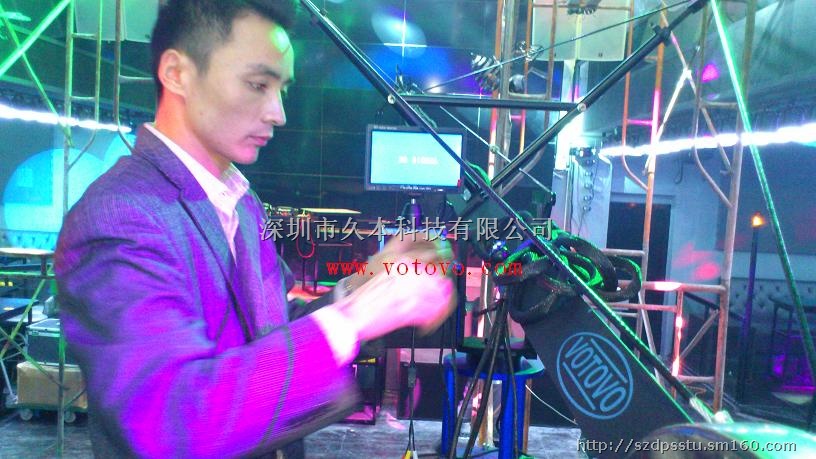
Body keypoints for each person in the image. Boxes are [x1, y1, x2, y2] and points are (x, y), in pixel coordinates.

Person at [54, 1, 455, 457]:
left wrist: (364, 286)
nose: (278, 113)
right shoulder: (119, 217)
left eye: (281, 89)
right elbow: (171, 423)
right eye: (257, 84)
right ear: (177, 74)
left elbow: (270, 332)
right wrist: (353, 318)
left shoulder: (242, 202)